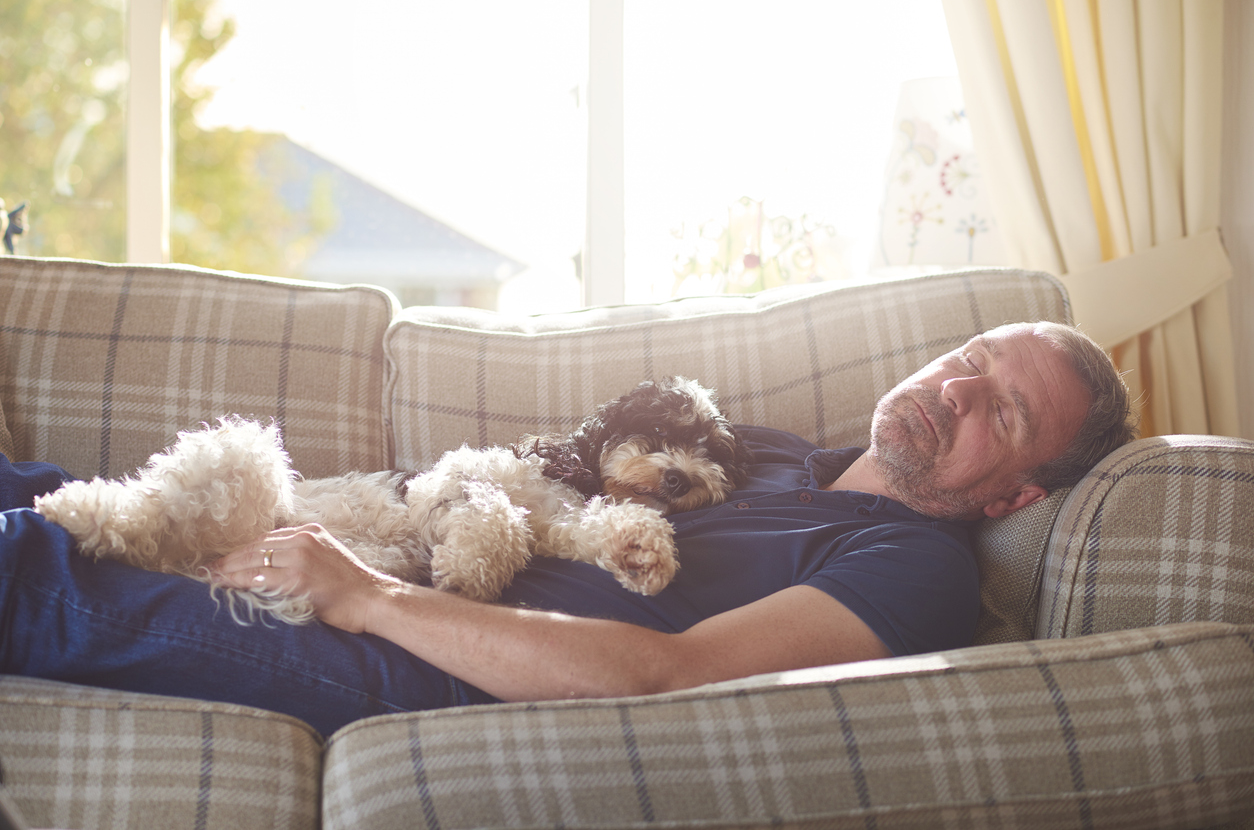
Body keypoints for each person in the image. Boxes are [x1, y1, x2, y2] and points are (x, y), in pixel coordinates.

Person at [0, 321, 1134, 737]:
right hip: (382, 540)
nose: (956, 390)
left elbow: (669, 674)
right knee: (45, 491)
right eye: (971, 359)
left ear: (1015, 498)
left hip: (407, 658)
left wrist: (369, 595)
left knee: (33, 570)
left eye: (1004, 410)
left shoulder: (912, 565)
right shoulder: (781, 451)